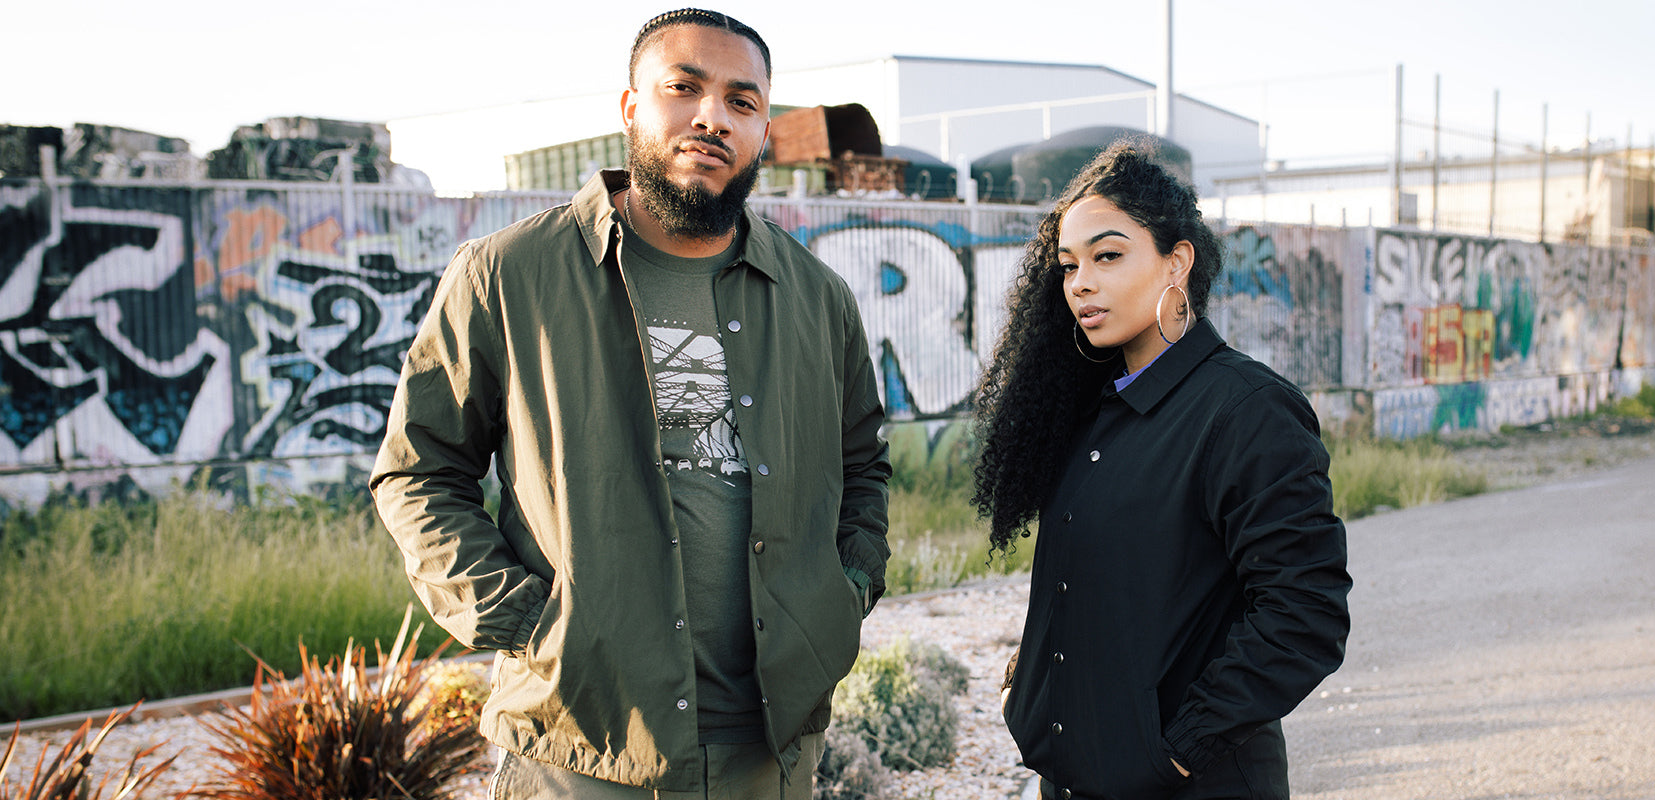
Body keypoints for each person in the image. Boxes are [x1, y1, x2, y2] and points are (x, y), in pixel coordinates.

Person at [368, 9, 891, 799]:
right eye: (684, 88)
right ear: (630, 109)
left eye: (742, 103)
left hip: (772, 746)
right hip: (579, 745)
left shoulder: (817, 297)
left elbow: (863, 467)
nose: (712, 118)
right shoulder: (508, 274)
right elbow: (417, 471)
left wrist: (846, 591)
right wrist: (523, 623)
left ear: (763, 131)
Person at [972, 140, 1350, 800]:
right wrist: (1031, 685)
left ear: (1177, 261)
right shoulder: (1094, 408)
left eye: (1108, 255)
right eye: (1068, 265)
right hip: (1072, 781)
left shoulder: (1246, 409)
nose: (1081, 282)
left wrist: (1176, 751)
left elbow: (1305, 616)